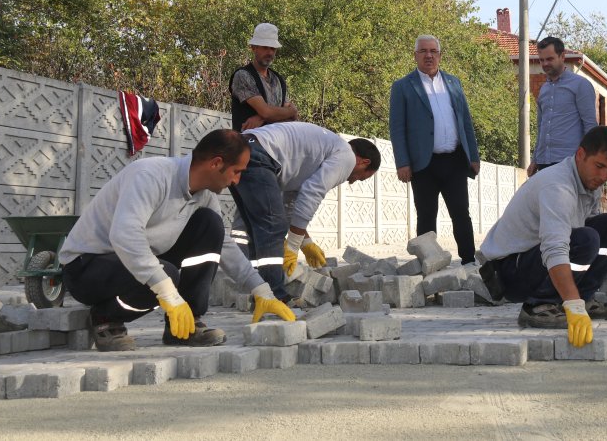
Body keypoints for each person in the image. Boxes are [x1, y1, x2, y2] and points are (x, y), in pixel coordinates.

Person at [60, 129, 296, 352]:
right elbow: (124, 235)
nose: (237, 181)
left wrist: (261, 290)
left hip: (131, 262)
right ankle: (105, 317)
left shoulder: (203, 195)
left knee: (210, 225)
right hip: (86, 267)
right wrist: (167, 293)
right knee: (166, 276)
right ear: (216, 163)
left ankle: (185, 324)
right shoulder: (150, 176)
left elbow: (224, 245)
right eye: (237, 171)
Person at [477, 126, 607, 348]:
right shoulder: (557, 186)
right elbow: (555, 248)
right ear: (581, 155)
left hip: (533, 259)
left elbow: (594, 229)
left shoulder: (588, 182)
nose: (604, 176)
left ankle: (583, 298)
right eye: (600, 166)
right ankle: (539, 306)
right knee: (587, 239)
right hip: (507, 272)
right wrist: (572, 305)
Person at [230, 121, 381, 301]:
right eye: (361, 177)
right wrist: (293, 244)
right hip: (259, 154)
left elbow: (290, 204)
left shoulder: (317, 152)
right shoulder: (346, 156)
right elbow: (313, 191)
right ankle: (274, 298)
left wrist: (305, 242)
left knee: (255, 227)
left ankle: (255, 289)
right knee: (272, 227)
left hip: (240, 148)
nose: (352, 181)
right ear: (364, 161)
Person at [389, 34, 481, 264]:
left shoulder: (453, 83)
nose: (429, 56)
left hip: (455, 160)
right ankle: (428, 265)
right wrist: (402, 162)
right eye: (423, 51)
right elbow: (397, 128)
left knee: (461, 213)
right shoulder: (402, 87)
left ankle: (469, 263)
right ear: (415, 55)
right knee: (426, 216)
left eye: (433, 51)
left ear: (440, 55)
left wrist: (474, 155)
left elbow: (465, 121)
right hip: (423, 163)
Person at [527, 36, 598, 176]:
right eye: (542, 60)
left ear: (562, 56)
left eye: (550, 59)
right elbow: (541, 128)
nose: (545, 63)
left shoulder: (581, 85)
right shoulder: (544, 90)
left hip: (570, 163)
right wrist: (535, 159)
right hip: (544, 163)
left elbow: (590, 126)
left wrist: (589, 162)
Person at [229, 23, 299, 132]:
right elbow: (267, 112)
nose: (270, 52)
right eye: (265, 47)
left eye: (273, 48)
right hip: (248, 145)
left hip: (277, 145)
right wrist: (291, 110)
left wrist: (261, 118)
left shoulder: (278, 80)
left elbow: (292, 119)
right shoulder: (243, 75)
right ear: (253, 48)